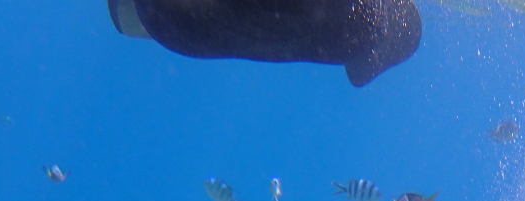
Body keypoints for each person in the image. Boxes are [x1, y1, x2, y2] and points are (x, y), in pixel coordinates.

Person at [107, 0, 421, 86]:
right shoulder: (361, 42)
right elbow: (360, 77)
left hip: (175, 26)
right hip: (174, 29)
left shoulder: (361, 24)